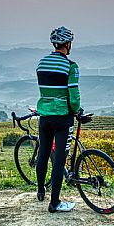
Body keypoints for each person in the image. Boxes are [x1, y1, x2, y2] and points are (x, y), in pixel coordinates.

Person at [35, 26, 81, 213]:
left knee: (43, 154)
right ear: (68, 44)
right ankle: (55, 203)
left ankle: (40, 191)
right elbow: (74, 95)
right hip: (62, 118)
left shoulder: (41, 63)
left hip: (44, 116)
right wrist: (76, 111)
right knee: (59, 160)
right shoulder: (70, 66)